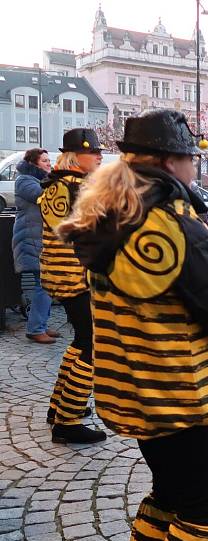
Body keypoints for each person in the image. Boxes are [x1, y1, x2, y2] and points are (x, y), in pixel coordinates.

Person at [60, 109, 208, 541]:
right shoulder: (169, 224)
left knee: (167, 496)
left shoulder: (113, 213)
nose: (195, 168)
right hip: (180, 393)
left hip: (136, 389)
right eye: (192, 158)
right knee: (199, 509)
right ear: (172, 162)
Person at [38, 128, 105, 442]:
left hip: (57, 273)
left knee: (81, 337)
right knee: (92, 343)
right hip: (78, 276)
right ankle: (68, 420)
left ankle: (59, 406)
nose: (99, 157)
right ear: (76, 156)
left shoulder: (54, 185)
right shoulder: (79, 187)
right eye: (94, 152)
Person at [12, 147, 57, 344]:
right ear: (33, 163)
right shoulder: (25, 181)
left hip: (39, 238)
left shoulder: (38, 179)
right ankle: (35, 328)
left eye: (49, 160)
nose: (49, 164)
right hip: (31, 239)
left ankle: (41, 324)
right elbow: (44, 196)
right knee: (44, 285)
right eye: (45, 161)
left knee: (47, 284)